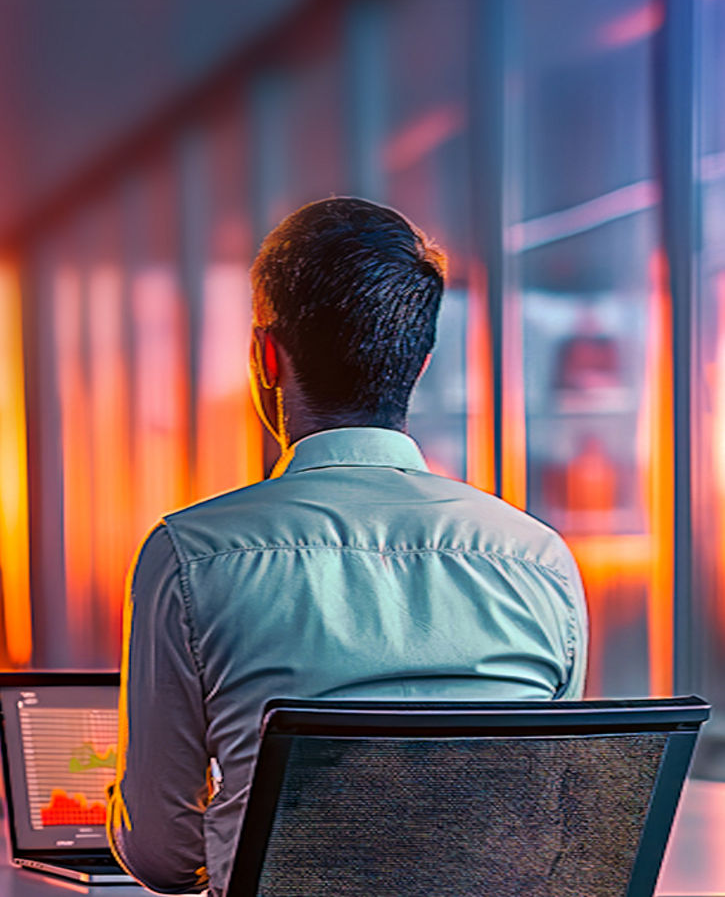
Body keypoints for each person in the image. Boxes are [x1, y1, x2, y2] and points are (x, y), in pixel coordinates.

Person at [107, 197, 588, 896]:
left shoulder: (192, 556)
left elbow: (160, 856)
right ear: (418, 364)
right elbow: (546, 817)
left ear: (265, 358)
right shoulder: (538, 559)